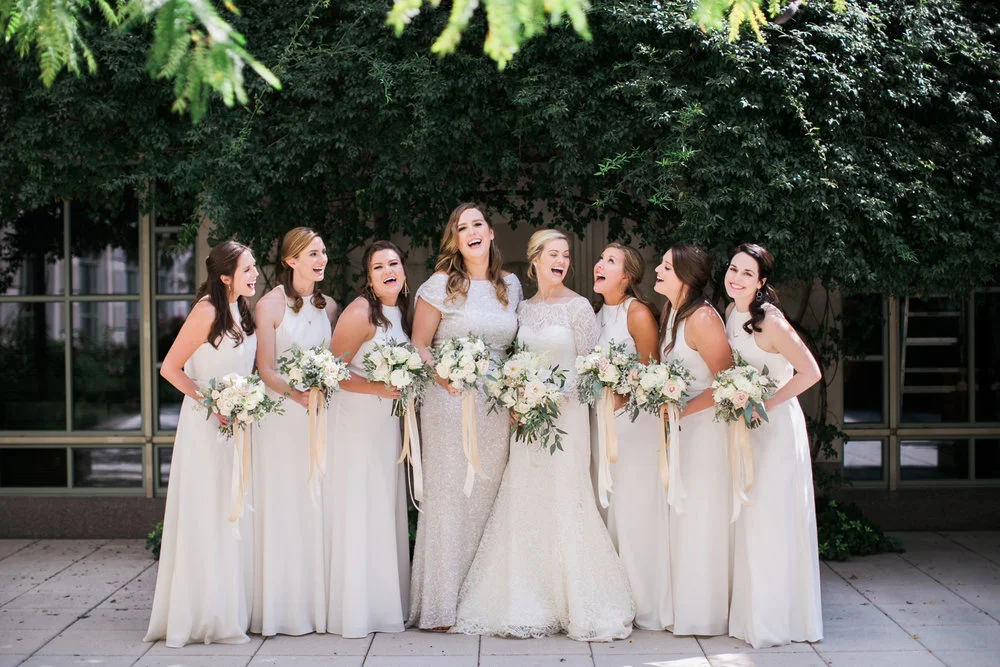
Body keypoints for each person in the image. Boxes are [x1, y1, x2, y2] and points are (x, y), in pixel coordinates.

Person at [453, 229, 635, 642]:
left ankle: (577, 599)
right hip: (527, 426)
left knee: (566, 499)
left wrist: (557, 395)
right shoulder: (524, 308)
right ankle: (527, 595)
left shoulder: (578, 308)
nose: (562, 260)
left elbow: (592, 373)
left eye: (567, 254)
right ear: (534, 260)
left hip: (566, 424)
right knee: (526, 502)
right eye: (553, 254)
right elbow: (519, 361)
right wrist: (519, 398)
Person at [408, 203, 522, 630]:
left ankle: (482, 602)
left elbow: (514, 348)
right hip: (447, 401)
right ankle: (439, 606)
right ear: (454, 239)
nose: (471, 232)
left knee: (488, 499)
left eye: (477, 225)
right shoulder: (438, 286)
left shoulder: (510, 285)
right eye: (461, 228)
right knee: (450, 500)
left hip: (495, 406)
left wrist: (517, 393)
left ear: (491, 233)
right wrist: (444, 376)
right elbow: (420, 344)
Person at [144, 241, 259, 647]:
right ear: (225, 275)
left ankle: (228, 610)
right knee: (207, 512)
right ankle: (200, 615)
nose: (254, 273)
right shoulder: (208, 311)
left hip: (239, 426)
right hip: (206, 426)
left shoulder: (242, 313)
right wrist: (212, 403)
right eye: (247, 268)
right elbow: (169, 368)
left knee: (232, 513)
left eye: (255, 266)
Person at [724, 243, 823, 648]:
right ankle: (751, 616)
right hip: (744, 428)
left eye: (747, 273)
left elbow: (811, 372)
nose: (736, 278)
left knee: (772, 520)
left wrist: (764, 403)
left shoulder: (772, 323)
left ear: (762, 282)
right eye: (733, 269)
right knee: (749, 519)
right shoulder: (732, 313)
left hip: (776, 428)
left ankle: (778, 621)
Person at [251, 227, 339, 636]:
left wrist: (320, 391)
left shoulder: (331, 307)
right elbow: (265, 369)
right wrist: (299, 395)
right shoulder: (268, 306)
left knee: (316, 504)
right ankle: (281, 608)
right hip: (282, 417)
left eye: (322, 252)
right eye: (312, 254)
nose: (320, 260)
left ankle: (315, 605)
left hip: (320, 417)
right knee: (284, 503)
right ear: (290, 261)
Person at [324, 240, 412, 638]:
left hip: (386, 426)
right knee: (361, 507)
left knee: (382, 507)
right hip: (358, 424)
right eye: (379, 267)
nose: (388, 271)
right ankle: (356, 610)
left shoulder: (400, 313)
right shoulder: (361, 313)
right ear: (369, 277)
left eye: (394, 263)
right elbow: (333, 372)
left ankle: (384, 604)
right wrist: (378, 388)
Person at [591, 243, 670, 630]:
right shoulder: (596, 316)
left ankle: (646, 603)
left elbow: (650, 376)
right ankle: (616, 596)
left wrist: (617, 391)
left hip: (633, 428)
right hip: (602, 426)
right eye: (600, 259)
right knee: (609, 511)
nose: (599, 265)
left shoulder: (636, 313)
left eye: (610, 261)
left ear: (627, 276)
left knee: (634, 511)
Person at [655, 244, 733, 636]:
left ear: (685, 277)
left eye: (666, 266)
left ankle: (705, 613)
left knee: (700, 517)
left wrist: (679, 408)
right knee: (682, 517)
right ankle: (684, 605)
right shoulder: (672, 313)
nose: (657, 269)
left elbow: (728, 383)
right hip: (681, 434)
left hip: (705, 434)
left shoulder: (702, 318)